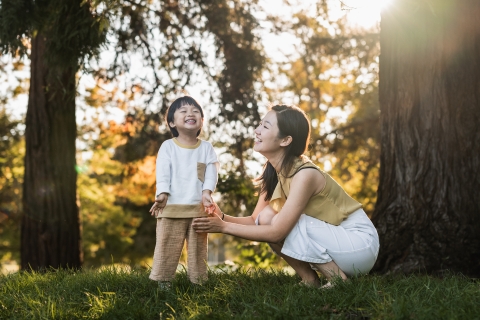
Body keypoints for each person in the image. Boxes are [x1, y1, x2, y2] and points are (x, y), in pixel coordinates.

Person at [193, 105, 379, 288]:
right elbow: (254, 220)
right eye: (260, 124)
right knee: (266, 217)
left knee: (275, 221)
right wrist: (222, 217)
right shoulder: (273, 172)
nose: (257, 131)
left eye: (265, 127)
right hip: (335, 242)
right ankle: (309, 279)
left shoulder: (304, 174)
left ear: (285, 140)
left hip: (358, 246)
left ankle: (337, 279)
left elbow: (277, 232)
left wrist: (224, 227)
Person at [149, 95, 219, 286]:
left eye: (196, 111)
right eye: (184, 111)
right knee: (167, 246)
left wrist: (207, 193)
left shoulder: (206, 148)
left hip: (198, 209)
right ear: (172, 122)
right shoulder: (168, 147)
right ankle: (163, 282)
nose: (191, 113)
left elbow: (211, 173)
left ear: (201, 121)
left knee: (198, 250)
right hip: (171, 208)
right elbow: (163, 172)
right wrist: (162, 194)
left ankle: (198, 282)